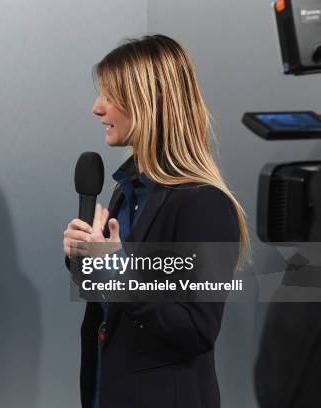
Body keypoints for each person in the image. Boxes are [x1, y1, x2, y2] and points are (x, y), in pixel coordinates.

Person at [62, 35, 250, 408]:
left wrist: (117, 272)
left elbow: (197, 329)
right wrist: (84, 257)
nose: (97, 108)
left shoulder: (204, 203)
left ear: (149, 103)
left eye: (109, 96)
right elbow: (113, 301)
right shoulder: (125, 191)